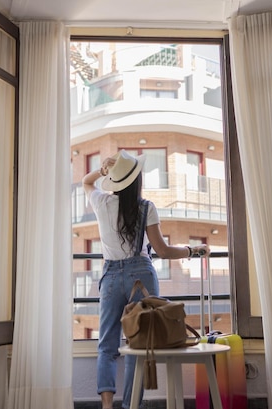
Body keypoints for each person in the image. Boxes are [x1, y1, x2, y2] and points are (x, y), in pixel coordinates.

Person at [82, 150, 210, 409]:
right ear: (137, 181)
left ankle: (107, 407)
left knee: (107, 344)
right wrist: (193, 251)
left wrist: (104, 169)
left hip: (110, 277)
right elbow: (162, 250)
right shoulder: (145, 207)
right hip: (141, 275)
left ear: (117, 182)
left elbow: (86, 181)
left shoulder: (102, 203)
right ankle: (131, 406)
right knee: (138, 342)